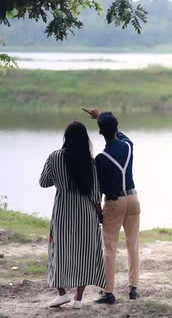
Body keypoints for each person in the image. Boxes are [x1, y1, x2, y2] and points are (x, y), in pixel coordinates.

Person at [40, 121, 105, 309]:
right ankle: (78, 298)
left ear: (66, 138)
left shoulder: (54, 157)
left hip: (62, 212)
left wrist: (59, 179)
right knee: (84, 252)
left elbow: (44, 182)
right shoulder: (90, 161)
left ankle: (61, 294)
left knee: (58, 250)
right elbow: (95, 194)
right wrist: (100, 214)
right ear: (85, 139)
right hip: (85, 213)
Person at [89, 110, 141, 304]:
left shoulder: (100, 159)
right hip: (133, 198)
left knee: (110, 248)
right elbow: (120, 134)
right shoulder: (128, 146)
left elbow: (98, 189)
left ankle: (108, 292)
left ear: (101, 132)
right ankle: (133, 288)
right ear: (117, 127)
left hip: (114, 202)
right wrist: (101, 115)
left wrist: (98, 210)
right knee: (132, 244)